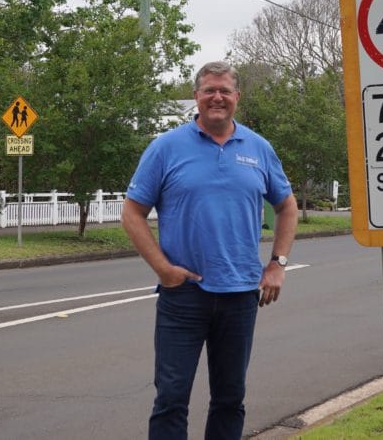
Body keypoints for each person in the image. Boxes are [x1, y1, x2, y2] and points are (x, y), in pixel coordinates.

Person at [121, 60, 298, 440]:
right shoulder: (166, 148)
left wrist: (277, 264)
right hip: (183, 295)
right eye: (208, 91)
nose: (217, 97)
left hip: (240, 295)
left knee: (230, 399)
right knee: (170, 398)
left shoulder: (258, 148)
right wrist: (163, 270)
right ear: (197, 97)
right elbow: (132, 212)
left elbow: (287, 206)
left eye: (224, 91)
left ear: (237, 97)